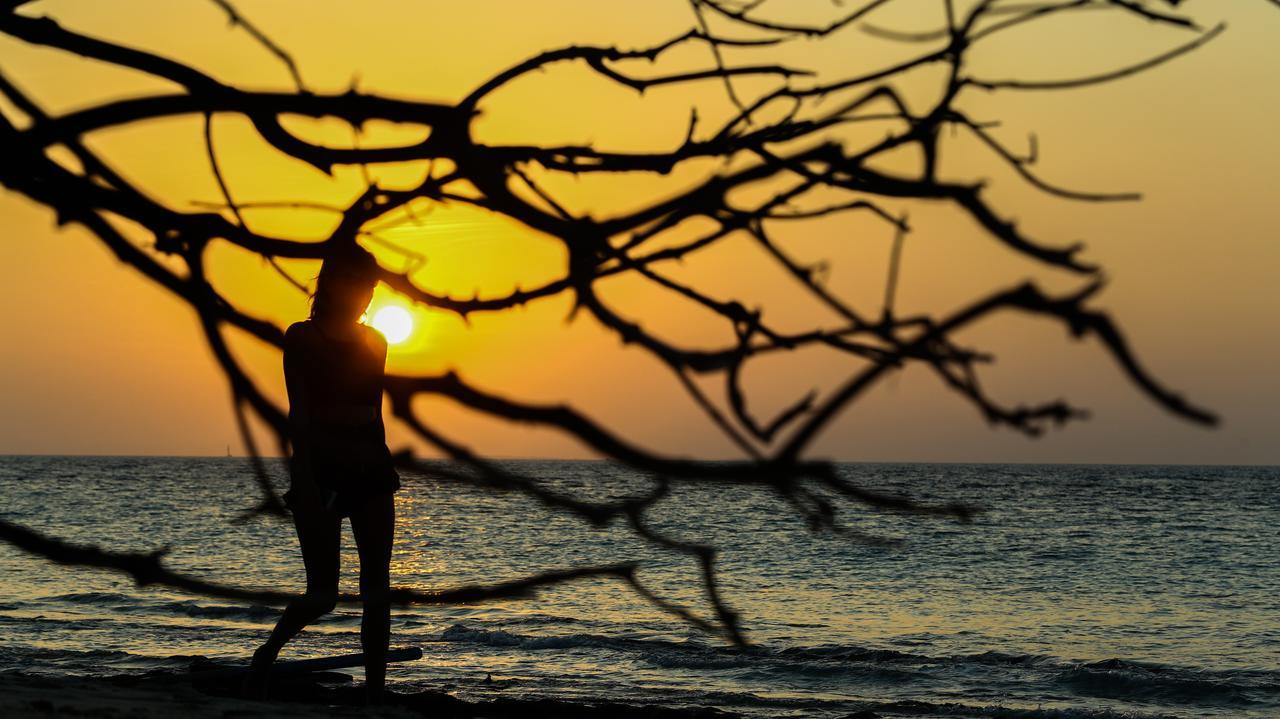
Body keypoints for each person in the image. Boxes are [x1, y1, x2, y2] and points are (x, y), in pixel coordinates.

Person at [248, 243, 402, 703]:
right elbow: (299, 415)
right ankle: (266, 656)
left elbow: (373, 414)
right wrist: (306, 481)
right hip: (321, 472)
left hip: (372, 470)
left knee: (377, 588)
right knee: (323, 594)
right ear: (334, 282)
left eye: (373, 287)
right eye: (361, 285)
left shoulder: (376, 341)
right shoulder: (302, 337)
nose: (368, 296)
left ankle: (376, 692)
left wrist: (382, 465)